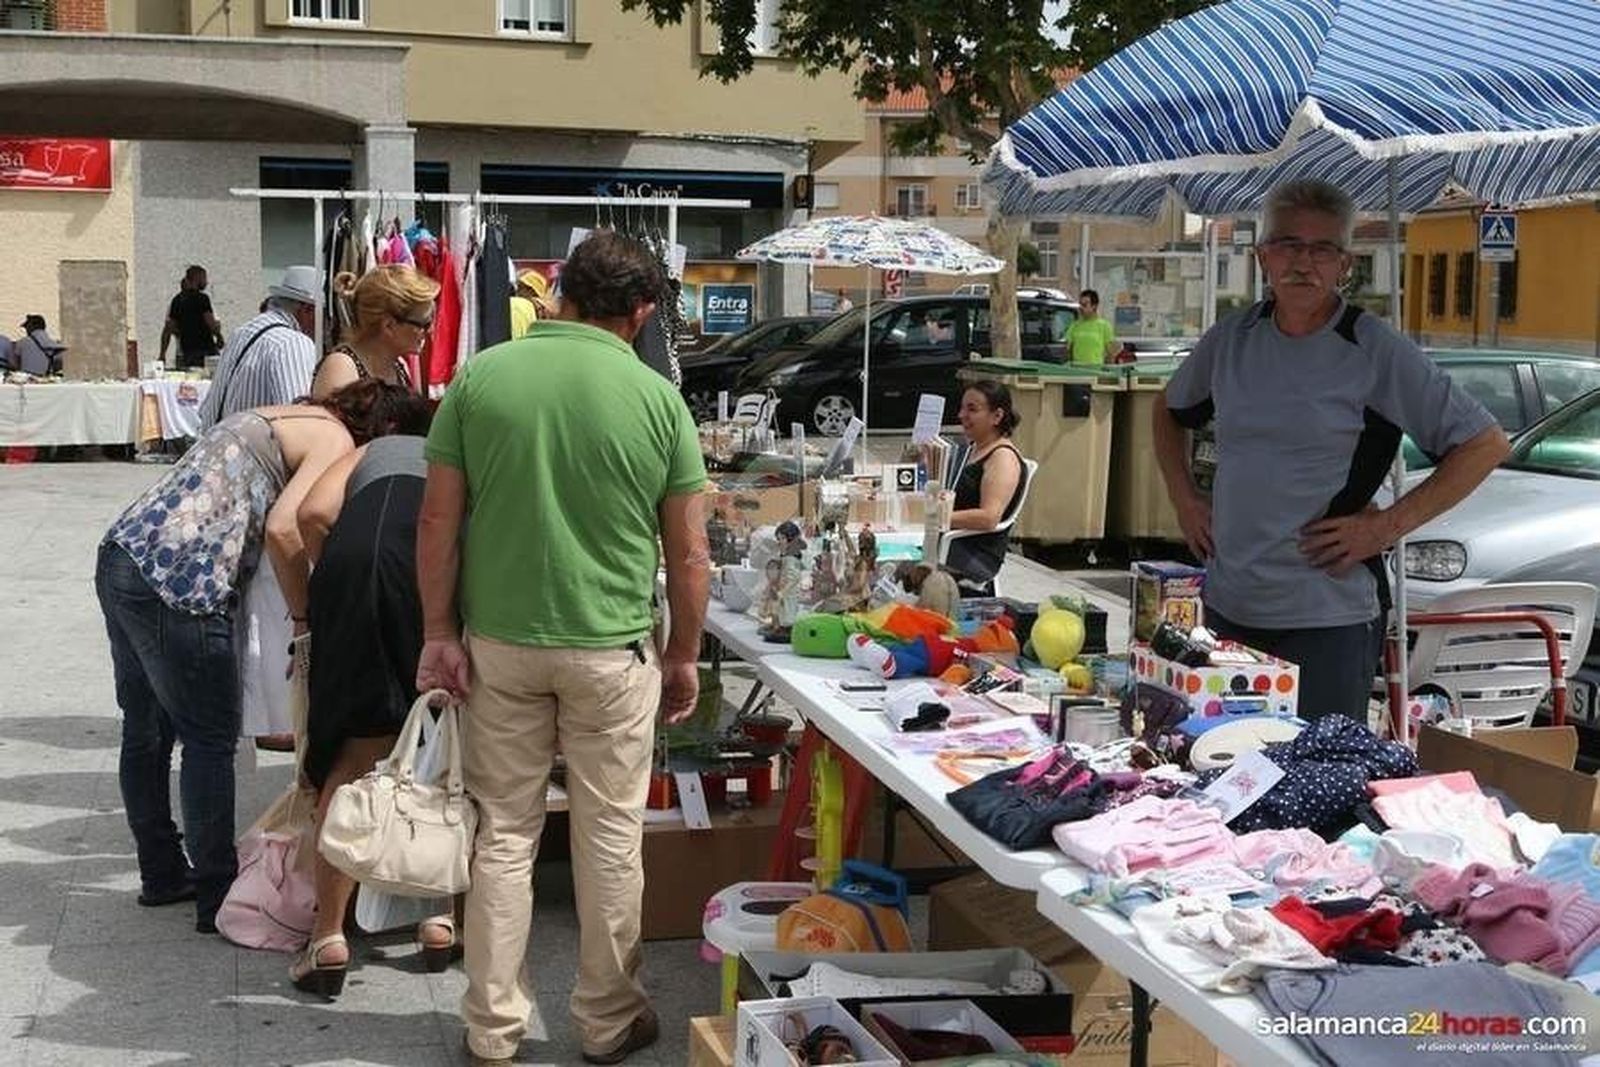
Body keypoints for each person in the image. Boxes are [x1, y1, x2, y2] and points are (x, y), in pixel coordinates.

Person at [417, 230, 709, 1067]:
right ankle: (607, 1019)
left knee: (502, 834)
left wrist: (438, 630)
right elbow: (688, 552)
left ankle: (491, 1028)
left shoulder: (481, 377)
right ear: (643, 311)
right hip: (612, 647)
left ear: (558, 293)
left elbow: (436, 519)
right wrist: (685, 652)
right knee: (609, 837)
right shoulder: (658, 398)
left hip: (500, 642)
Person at [1153, 178, 1509, 722]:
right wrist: (1184, 500)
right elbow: (1167, 411)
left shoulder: (1373, 348)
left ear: (1345, 264)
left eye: (1323, 249)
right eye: (1289, 245)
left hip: (1328, 618)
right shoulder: (1230, 340)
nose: (1304, 262)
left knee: (1318, 784)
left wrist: (1386, 527)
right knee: (1219, 777)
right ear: (1262, 256)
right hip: (1229, 605)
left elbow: (1484, 443)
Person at [95, 380, 429, 934]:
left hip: (126, 555)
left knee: (146, 729)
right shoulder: (334, 439)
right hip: (185, 580)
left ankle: (161, 873)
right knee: (209, 740)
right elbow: (286, 528)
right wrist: (308, 618)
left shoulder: (282, 415)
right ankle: (216, 893)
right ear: (383, 428)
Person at [291, 424, 456, 998]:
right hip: (427, 571)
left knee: (357, 749)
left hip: (351, 567)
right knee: (440, 746)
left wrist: (338, 574)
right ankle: (438, 920)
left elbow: (311, 515)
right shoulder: (459, 449)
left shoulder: (368, 450)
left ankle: (328, 936)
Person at [197, 265, 320, 431]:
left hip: (216, 446)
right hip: (250, 454)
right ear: (308, 310)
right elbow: (299, 425)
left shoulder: (241, 332)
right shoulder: (292, 343)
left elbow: (207, 410)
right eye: (324, 314)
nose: (327, 324)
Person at [943, 381, 1026, 593]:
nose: (962, 415)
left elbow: (989, 517)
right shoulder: (972, 449)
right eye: (962, 408)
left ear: (997, 416)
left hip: (974, 554)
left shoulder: (1002, 458)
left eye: (972, 409)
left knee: (895, 556)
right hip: (950, 539)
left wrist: (934, 518)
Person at [311, 264, 440, 397]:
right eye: (423, 324)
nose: (429, 331)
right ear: (389, 326)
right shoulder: (342, 367)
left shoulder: (399, 367)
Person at [161, 265, 222, 371]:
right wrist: (219, 336)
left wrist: (163, 353)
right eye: (204, 278)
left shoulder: (177, 300)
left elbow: (169, 327)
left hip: (187, 351)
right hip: (205, 350)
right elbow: (210, 322)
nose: (206, 282)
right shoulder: (202, 299)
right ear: (197, 278)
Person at [1065, 289, 1118, 366]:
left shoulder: (1104, 326)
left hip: (1096, 372)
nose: (1081, 308)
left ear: (1094, 306)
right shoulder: (1074, 326)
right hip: (1078, 372)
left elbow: (1110, 354)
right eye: (1080, 304)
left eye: (1085, 305)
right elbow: (1068, 350)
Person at [509, 270, 553, 338]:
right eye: (518, 286)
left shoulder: (542, 310)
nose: (518, 291)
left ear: (532, 290)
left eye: (521, 287)